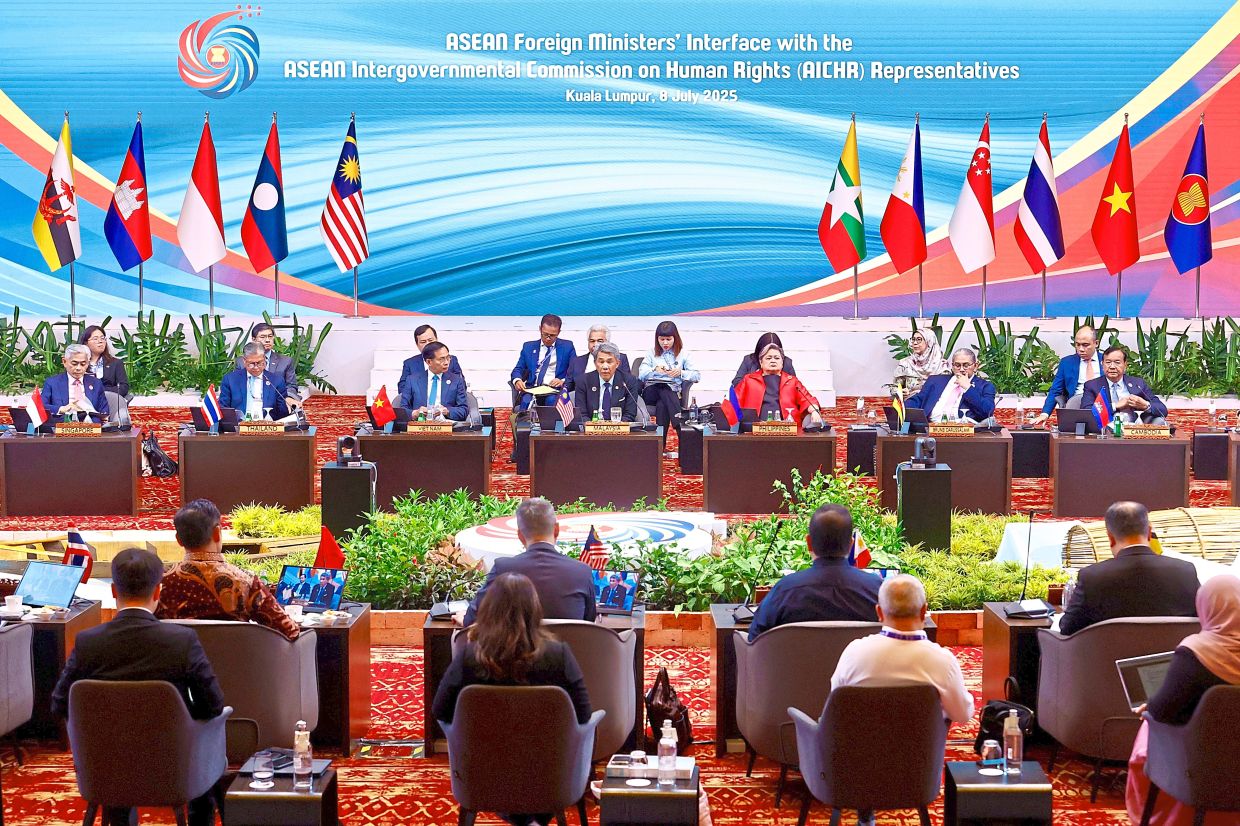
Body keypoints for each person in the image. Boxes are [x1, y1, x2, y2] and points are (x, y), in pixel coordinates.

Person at [51, 548, 226, 826]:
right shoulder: (181, 641)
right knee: (207, 754)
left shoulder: (88, 642)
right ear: (158, 591)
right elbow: (214, 705)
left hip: (106, 773)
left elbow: (60, 704)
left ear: (112, 590)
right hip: (175, 771)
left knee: (117, 761)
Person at [434, 572, 591, 826]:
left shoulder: (469, 658)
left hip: (482, 778)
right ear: (535, 610)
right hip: (550, 778)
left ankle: (522, 818)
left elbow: (440, 710)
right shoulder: (558, 655)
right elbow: (584, 715)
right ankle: (534, 819)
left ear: (489, 609)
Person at [1126, 575, 1240, 825]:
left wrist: (1149, 709)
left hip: (1199, 773)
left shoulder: (1195, 652)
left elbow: (1164, 711)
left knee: (1148, 725)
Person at [831, 573, 975, 725]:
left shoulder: (854, 653)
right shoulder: (943, 662)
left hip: (860, 747)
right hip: (921, 748)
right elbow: (963, 715)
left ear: (879, 612)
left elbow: (835, 706)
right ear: (923, 611)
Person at [156, 499, 301, 640]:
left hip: (179, 664)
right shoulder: (246, 581)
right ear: (217, 532)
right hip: (235, 664)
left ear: (178, 539)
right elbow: (290, 631)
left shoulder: (159, 584)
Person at [1058, 501, 1199, 636]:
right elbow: (1207, 621)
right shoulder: (1186, 571)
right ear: (1149, 533)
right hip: (1172, 660)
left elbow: (1067, 628)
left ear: (1110, 537)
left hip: (1107, 660)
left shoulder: (1092, 577)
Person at [748, 504, 881, 641]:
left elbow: (754, 640)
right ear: (851, 544)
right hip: (860, 663)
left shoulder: (785, 591)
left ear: (809, 543)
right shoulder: (878, 591)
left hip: (796, 663)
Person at [461, 498, 596, 627]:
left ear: (520, 535)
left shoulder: (503, 568)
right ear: (556, 530)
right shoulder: (582, 572)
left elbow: (473, 618)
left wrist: (464, 618)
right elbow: (589, 622)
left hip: (518, 651)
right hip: (571, 649)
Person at [638, 320, 700, 448]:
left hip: (670, 393)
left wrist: (680, 373)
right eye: (662, 339)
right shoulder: (651, 353)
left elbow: (696, 375)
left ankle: (660, 446)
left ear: (675, 338)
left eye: (668, 339)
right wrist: (654, 370)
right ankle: (679, 425)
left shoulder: (684, 354)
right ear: (657, 339)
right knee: (663, 387)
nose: (665, 343)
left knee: (662, 404)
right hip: (651, 391)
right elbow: (641, 374)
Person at [732, 343, 825, 427]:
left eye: (777, 358)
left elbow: (807, 399)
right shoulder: (749, 379)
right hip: (754, 428)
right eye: (768, 358)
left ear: (782, 362)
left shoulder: (792, 381)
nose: (773, 361)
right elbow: (734, 401)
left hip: (788, 428)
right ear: (761, 362)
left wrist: (814, 411)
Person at [1032, 326, 1104, 426]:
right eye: (1077, 345)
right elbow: (1056, 390)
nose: (1080, 349)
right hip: (1076, 407)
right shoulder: (1067, 363)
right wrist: (1045, 413)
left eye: (1085, 345)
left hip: (1103, 407)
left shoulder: (1108, 361)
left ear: (1096, 343)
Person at [1079, 345, 1169, 425]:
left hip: (1134, 430)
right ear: (1102, 364)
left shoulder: (1138, 384)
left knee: (1159, 421)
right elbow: (1086, 412)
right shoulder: (1092, 386)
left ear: (1125, 365)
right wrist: (1115, 405)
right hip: (1106, 430)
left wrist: (1145, 405)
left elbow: (1162, 410)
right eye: (1108, 362)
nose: (1112, 366)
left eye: (1117, 362)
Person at [906, 347, 996, 422]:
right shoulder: (935, 381)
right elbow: (918, 400)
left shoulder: (985, 386)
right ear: (952, 366)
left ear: (975, 366)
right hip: (931, 428)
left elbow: (987, 412)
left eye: (966, 365)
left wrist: (968, 388)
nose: (961, 369)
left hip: (963, 433)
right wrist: (901, 407)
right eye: (957, 365)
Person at [511, 314, 577, 410]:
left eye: (552, 335)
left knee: (551, 401)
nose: (548, 338)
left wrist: (562, 381)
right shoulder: (528, 347)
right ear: (540, 329)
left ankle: (549, 425)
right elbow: (518, 369)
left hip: (554, 390)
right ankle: (523, 424)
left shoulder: (567, 347)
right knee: (526, 403)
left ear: (559, 332)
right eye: (545, 334)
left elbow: (575, 370)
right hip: (532, 389)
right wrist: (517, 380)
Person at [236, 322, 301, 410]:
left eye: (270, 336)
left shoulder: (285, 361)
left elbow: (291, 386)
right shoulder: (241, 362)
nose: (267, 340)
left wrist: (288, 397)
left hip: (277, 405)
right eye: (262, 337)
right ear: (254, 340)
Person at [396, 341, 469, 420]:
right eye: (441, 359)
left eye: (448, 358)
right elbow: (403, 409)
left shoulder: (456, 380)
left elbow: (464, 410)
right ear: (429, 362)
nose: (446, 362)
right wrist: (415, 413)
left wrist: (447, 411)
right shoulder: (412, 380)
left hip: (446, 426)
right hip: (419, 427)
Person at [219, 342, 290, 420]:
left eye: (260, 363)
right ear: (244, 361)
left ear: (264, 359)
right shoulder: (230, 379)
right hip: (240, 428)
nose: (256, 367)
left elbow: (283, 413)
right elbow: (224, 409)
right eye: (252, 363)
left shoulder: (276, 381)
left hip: (268, 428)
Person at [574, 342, 640, 423]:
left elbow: (630, 414)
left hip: (618, 431)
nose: (605, 367)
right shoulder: (583, 381)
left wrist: (616, 427)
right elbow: (582, 414)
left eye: (609, 362)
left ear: (617, 363)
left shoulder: (628, 381)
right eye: (601, 362)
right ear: (595, 363)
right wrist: (593, 427)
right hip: (592, 431)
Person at [41, 343, 109, 422]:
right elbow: (42, 406)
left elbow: (104, 410)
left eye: (83, 364)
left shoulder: (96, 383)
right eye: (74, 364)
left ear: (88, 363)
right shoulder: (52, 383)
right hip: (64, 424)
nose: (78, 368)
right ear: (64, 362)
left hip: (91, 425)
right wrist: (62, 409)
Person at [397, 324, 465, 401]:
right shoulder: (410, 363)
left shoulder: (451, 360)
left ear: (437, 340)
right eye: (423, 342)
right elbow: (402, 388)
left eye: (430, 340)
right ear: (417, 345)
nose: (428, 344)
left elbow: (462, 386)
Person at [79, 325, 131, 424]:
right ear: (86, 342)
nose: (100, 341)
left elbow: (123, 387)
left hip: (109, 402)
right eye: (95, 338)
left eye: (102, 338)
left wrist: (101, 391)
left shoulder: (116, 363)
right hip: (84, 403)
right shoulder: (79, 364)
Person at [565, 324, 630, 392]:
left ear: (608, 342)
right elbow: (568, 386)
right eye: (592, 341)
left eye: (600, 341)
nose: (595, 345)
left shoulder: (620, 358)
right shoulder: (576, 361)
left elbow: (627, 384)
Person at [892, 327, 948, 395]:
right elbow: (893, 388)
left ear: (929, 342)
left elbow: (946, 391)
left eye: (919, 339)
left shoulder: (941, 366)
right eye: (913, 339)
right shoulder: (906, 363)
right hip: (910, 403)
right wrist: (900, 391)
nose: (915, 343)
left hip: (933, 404)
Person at [732, 332, 797, 387]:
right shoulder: (749, 360)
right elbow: (736, 382)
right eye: (768, 357)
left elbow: (795, 385)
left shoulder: (787, 362)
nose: (773, 360)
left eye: (776, 357)